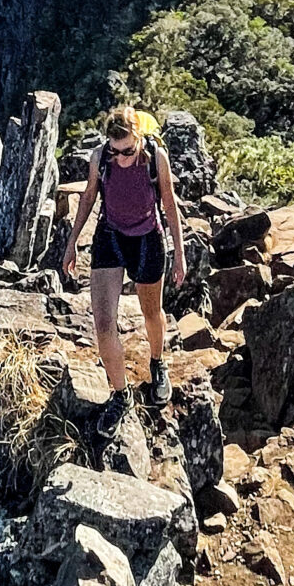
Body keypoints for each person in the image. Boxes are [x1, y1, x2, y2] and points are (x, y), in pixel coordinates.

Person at [64, 104, 187, 429]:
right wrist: (72, 241)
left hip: (147, 238)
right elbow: (90, 197)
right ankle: (120, 394)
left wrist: (180, 252)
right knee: (104, 326)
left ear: (139, 138)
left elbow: (170, 204)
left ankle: (157, 362)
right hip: (111, 236)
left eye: (128, 150)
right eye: (116, 152)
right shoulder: (100, 159)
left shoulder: (156, 158)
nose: (122, 158)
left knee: (151, 314)